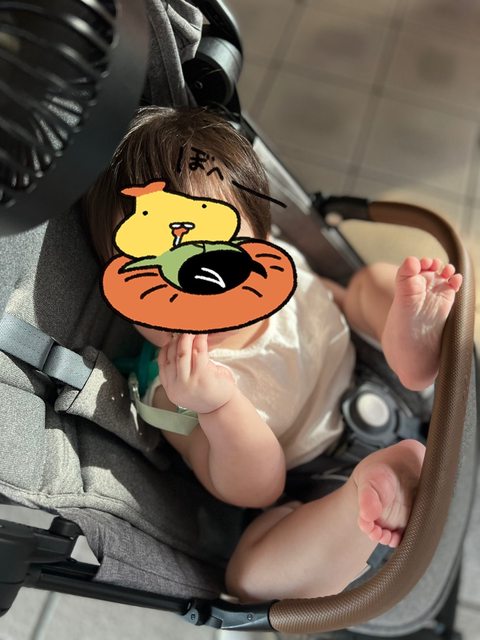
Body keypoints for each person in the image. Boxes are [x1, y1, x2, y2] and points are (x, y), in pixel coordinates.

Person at [83, 106, 462, 601]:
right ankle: (377, 488)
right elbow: (256, 490)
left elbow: (336, 304)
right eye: (151, 273)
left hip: (383, 369)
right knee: (249, 575)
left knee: (369, 286)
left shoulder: (281, 270)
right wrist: (218, 407)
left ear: (263, 238)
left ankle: (416, 343)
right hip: (321, 481)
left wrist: (379, 320)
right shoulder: (175, 388)